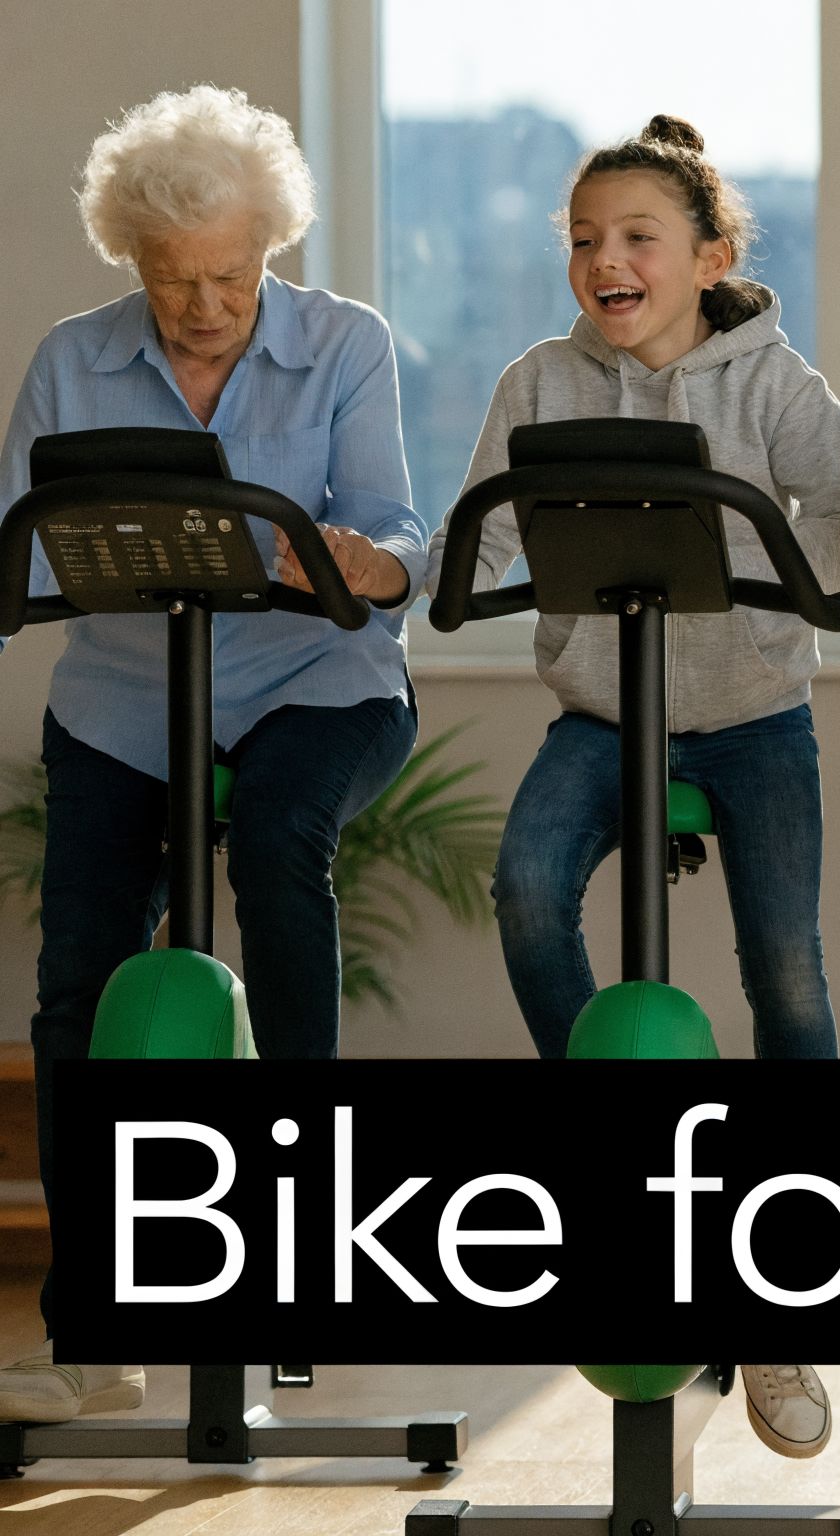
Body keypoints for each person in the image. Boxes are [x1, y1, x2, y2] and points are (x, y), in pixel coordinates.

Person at [430, 114, 840, 1456]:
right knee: (527, 889)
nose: (605, 262)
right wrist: (448, 575)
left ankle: (783, 1289)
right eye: (584, 240)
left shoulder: (771, 380)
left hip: (752, 716)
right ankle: (625, 1161)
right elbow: (484, 526)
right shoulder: (540, 379)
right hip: (602, 712)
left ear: (709, 257)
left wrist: (770, 577)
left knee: (786, 971)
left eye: (637, 237)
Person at [0, 86, 425, 1422]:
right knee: (77, 981)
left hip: (316, 683)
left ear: (271, 245)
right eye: (173, 278)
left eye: (230, 276)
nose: (202, 306)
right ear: (131, 257)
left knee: (283, 843)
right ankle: (93, 1320)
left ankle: (298, 1247)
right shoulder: (73, 359)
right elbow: (20, 543)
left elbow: (396, 529)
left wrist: (369, 561)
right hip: (128, 696)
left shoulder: (346, 342)